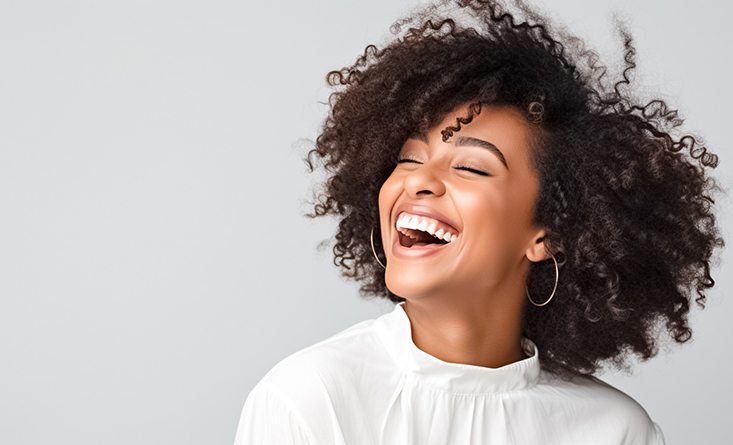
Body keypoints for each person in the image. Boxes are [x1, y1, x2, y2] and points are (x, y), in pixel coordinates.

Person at [234, 0, 724, 443]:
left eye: (470, 167)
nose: (419, 182)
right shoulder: (311, 400)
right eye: (406, 160)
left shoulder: (615, 431)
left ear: (546, 233)